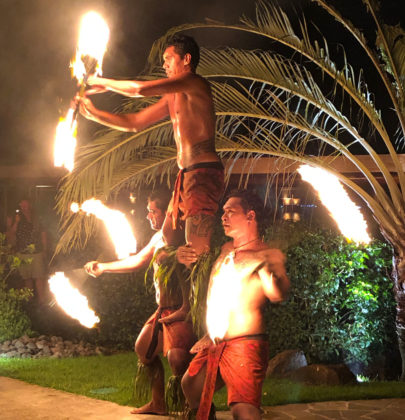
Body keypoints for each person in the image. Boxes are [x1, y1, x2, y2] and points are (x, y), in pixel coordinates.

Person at [78, 34, 224, 322]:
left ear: (186, 60)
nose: (165, 65)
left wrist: (101, 81)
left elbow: (139, 89)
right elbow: (135, 123)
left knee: (196, 250)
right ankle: (183, 303)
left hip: (203, 174)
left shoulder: (194, 83)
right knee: (168, 242)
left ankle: (204, 319)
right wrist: (94, 115)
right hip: (185, 176)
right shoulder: (173, 96)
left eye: (169, 59)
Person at [177, 190, 290, 420]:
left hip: (245, 344)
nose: (223, 217)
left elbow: (278, 294)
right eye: (223, 212)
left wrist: (269, 272)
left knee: (243, 411)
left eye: (231, 212)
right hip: (217, 341)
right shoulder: (226, 250)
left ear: (250, 216)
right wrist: (184, 259)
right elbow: (215, 288)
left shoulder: (268, 254)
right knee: (191, 385)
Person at [84, 191, 196, 415]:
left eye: (153, 212)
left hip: (182, 311)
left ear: (167, 215)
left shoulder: (185, 240)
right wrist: (104, 267)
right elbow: (138, 260)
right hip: (163, 309)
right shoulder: (158, 239)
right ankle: (158, 403)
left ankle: (192, 408)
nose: (148, 216)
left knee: (178, 359)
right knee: (144, 350)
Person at [6, 199, 48, 304]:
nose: (24, 205)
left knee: (39, 277)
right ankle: (29, 302)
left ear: (29, 204)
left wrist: (45, 248)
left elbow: (43, 233)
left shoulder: (36, 216)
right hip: (23, 252)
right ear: (20, 204)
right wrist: (16, 222)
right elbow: (11, 233)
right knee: (27, 278)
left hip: (37, 252)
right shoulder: (16, 216)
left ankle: (42, 302)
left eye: (25, 203)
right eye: (22, 203)